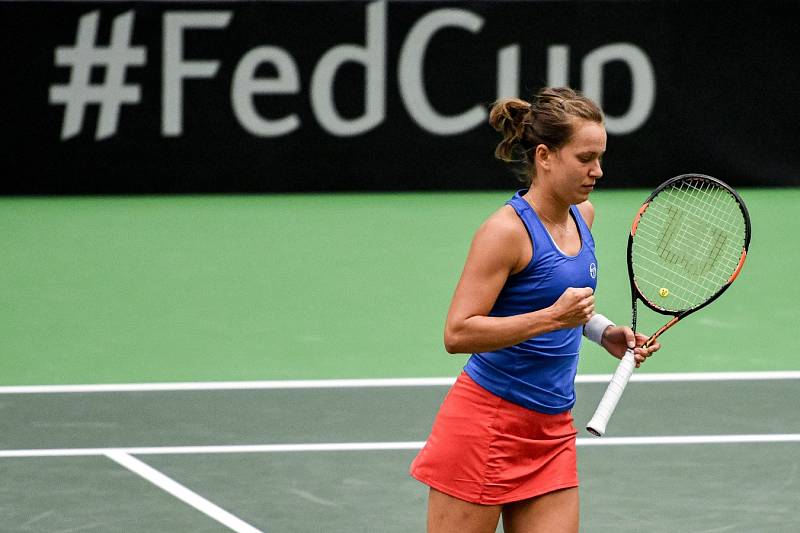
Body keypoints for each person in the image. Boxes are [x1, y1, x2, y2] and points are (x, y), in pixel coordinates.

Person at [409, 87, 660, 533]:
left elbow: (561, 301)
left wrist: (602, 331)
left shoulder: (584, 215)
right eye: (585, 158)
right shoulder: (504, 232)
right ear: (545, 156)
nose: (597, 171)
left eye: (600, 157)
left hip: (551, 432)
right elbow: (458, 333)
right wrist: (551, 319)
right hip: (486, 428)